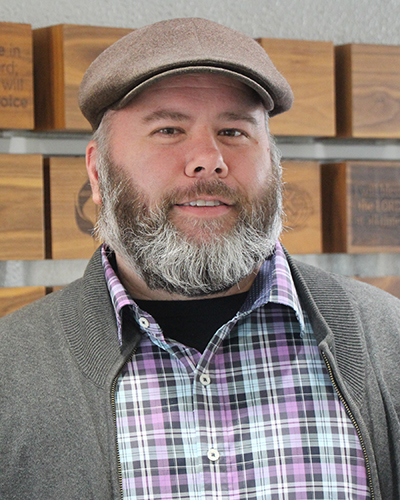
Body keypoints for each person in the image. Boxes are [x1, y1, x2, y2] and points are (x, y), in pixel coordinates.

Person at [0, 17, 399, 500]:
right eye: (169, 129)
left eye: (234, 130)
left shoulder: (387, 342)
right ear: (98, 172)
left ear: (272, 161)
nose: (208, 159)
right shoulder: (13, 371)